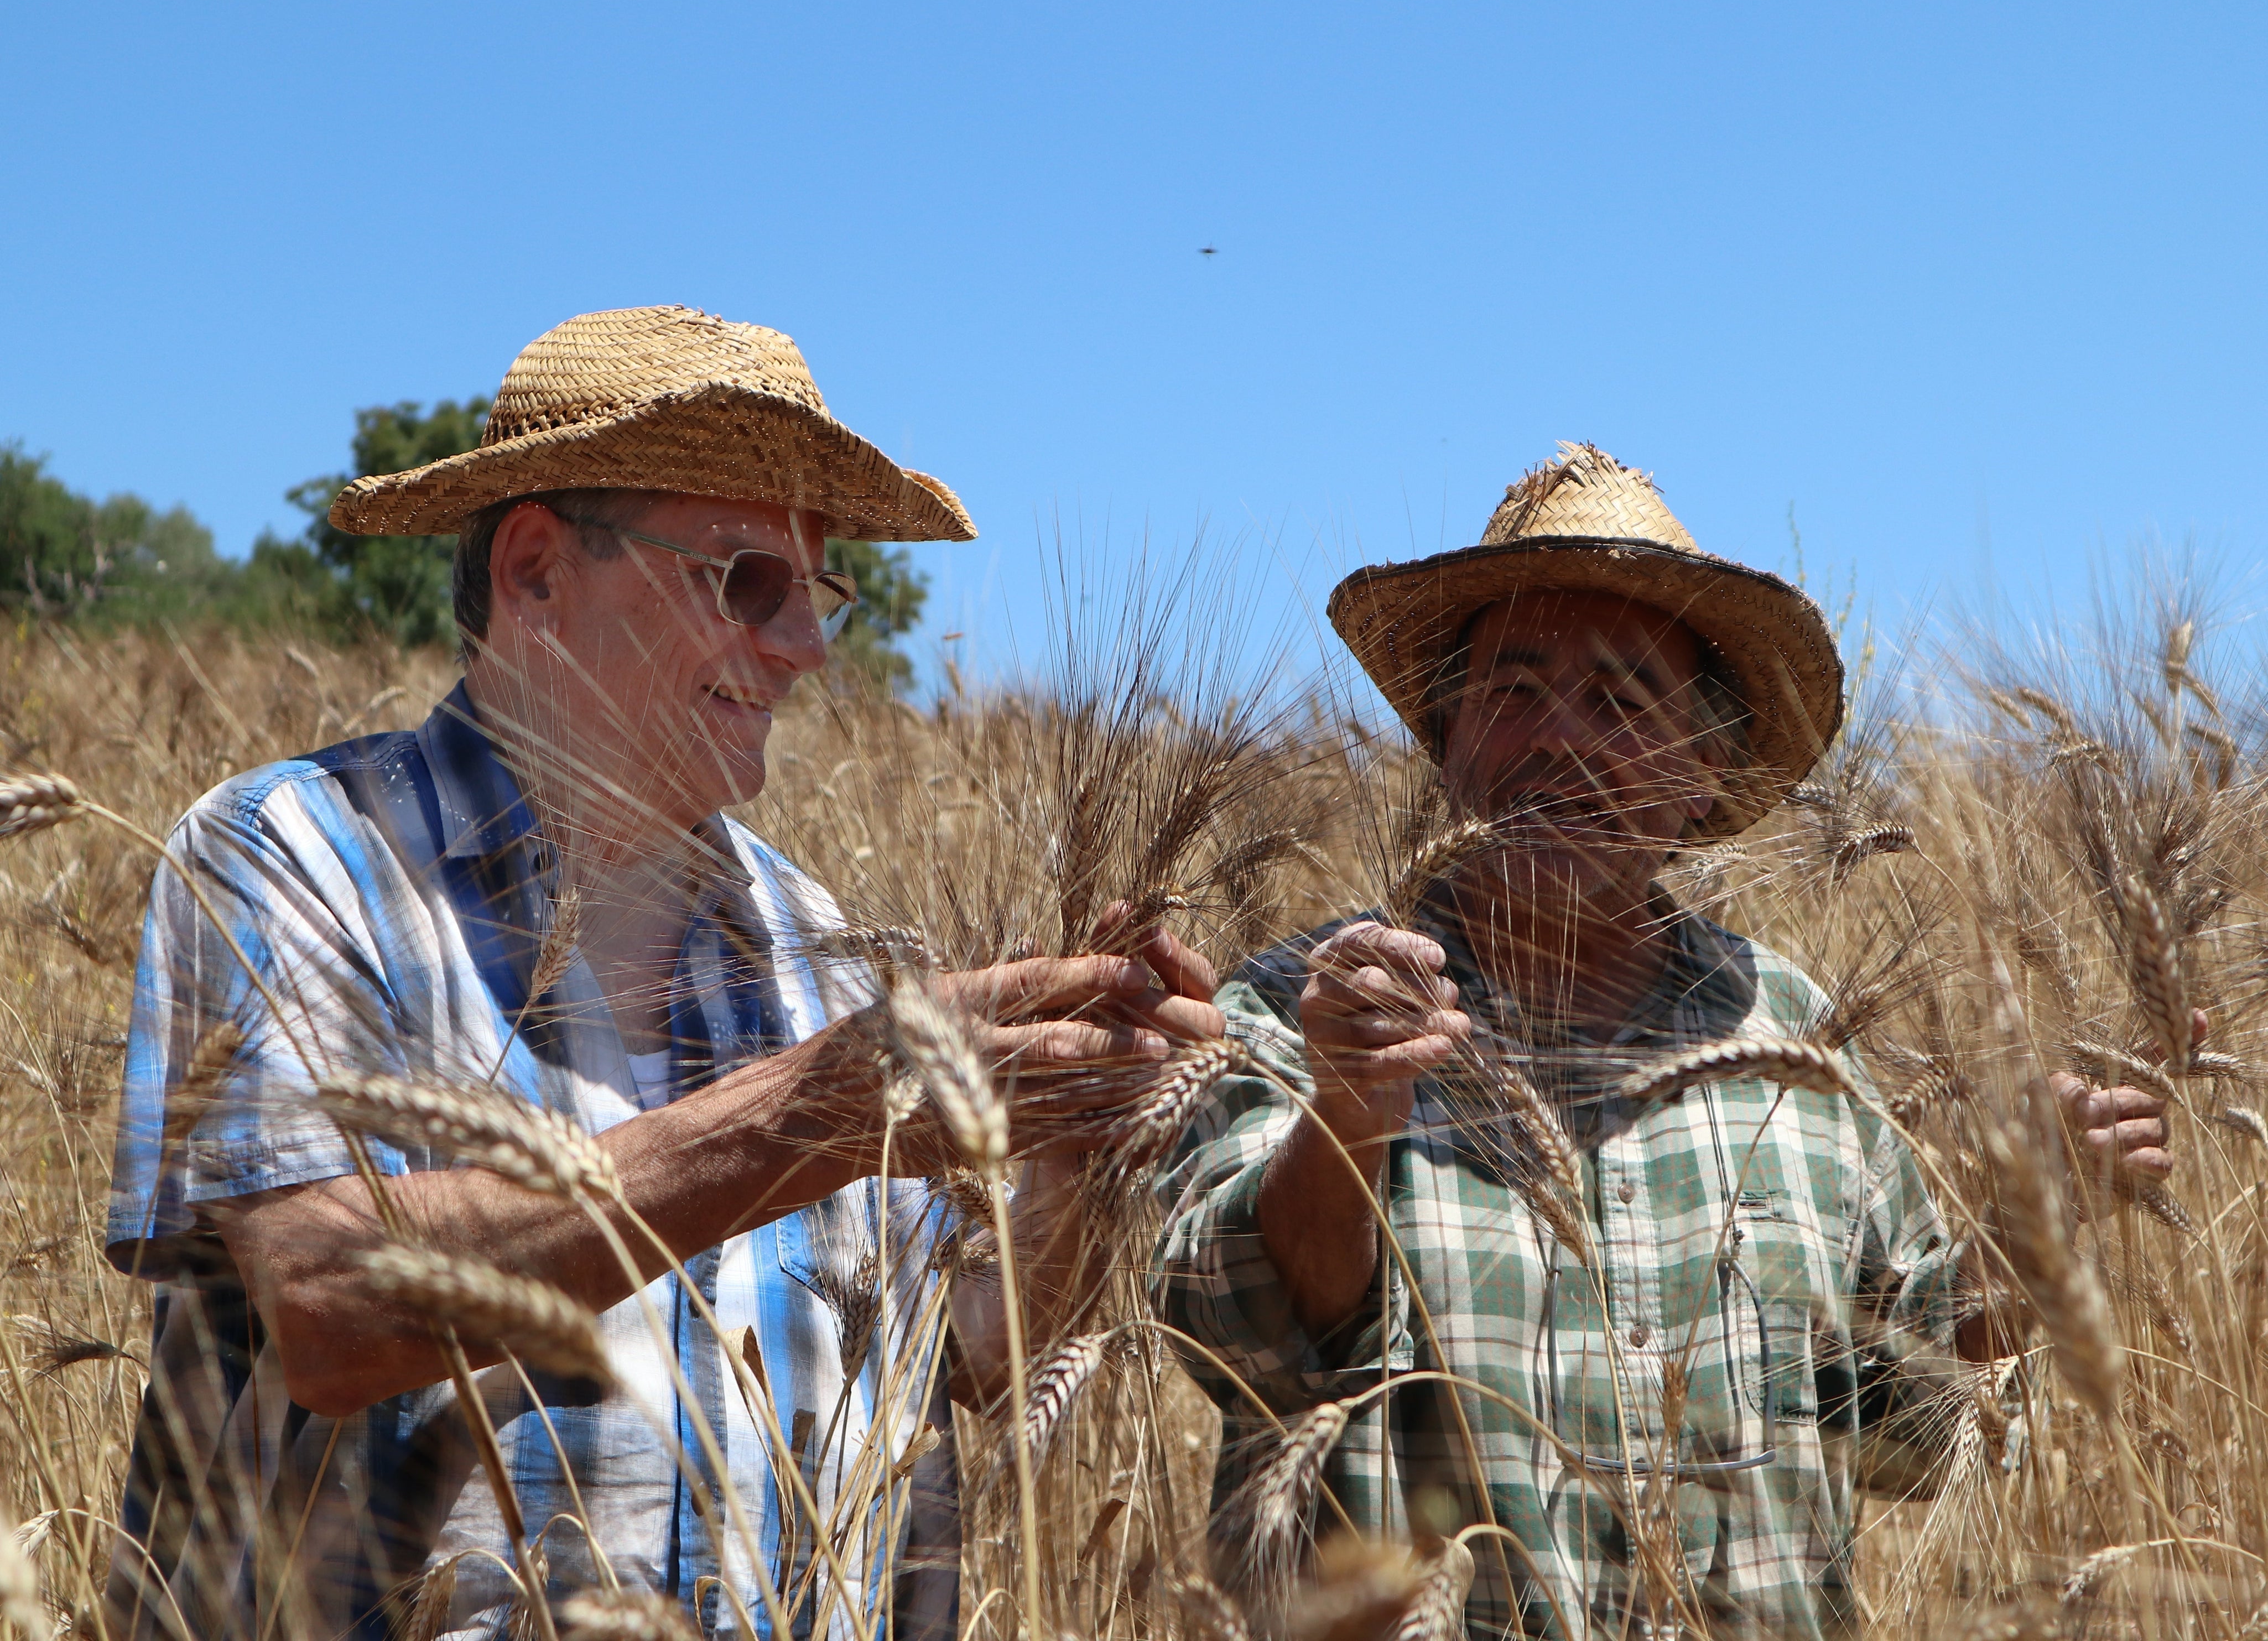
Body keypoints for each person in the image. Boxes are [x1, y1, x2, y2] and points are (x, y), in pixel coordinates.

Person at [102, 306, 1222, 1641]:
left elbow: (969, 1356)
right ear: (534, 573)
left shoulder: (811, 933)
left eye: (823, 593)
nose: (805, 646)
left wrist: (1087, 1142)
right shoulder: (295, 855)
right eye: (748, 581)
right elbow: (329, 1303)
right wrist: (808, 1115)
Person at [1152, 444, 2173, 1639]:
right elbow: (1235, 1337)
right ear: (1449, 744)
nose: (1561, 742)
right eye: (1514, 692)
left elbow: (1897, 1437)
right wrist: (1350, 1114)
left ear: (1704, 774)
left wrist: (2024, 1237)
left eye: (1623, 703)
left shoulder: (1792, 1035)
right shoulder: (1295, 1006)